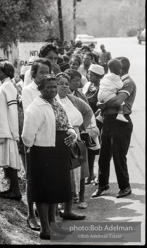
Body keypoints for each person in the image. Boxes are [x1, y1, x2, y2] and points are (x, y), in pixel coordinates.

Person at [22, 76, 77, 240]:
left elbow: (67, 124)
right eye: (49, 88)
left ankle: (54, 226)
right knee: (44, 191)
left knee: (55, 191)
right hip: (43, 152)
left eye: (54, 87)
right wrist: (38, 146)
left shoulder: (56, 103)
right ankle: (45, 229)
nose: (53, 90)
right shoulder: (35, 108)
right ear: (40, 89)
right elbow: (26, 137)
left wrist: (72, 133)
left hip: (59, 152)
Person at [92, 57, 136, 198]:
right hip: (108, 120)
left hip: (121, 122)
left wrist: (103, 104)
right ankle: (102, 184)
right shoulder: (112, 79)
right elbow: (101, 97)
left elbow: (118, 101)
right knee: (104, 155)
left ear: (121, 68)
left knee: (118, 156)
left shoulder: (128, 82)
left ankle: (125, 186)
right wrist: (100, 103)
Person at [55, 72, 93, 216]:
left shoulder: (73, 100)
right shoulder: (54, 101)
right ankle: (60, 205)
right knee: (64, 173)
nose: (64, 86)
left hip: (76, 137)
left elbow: (88, 111)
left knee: (79, 169)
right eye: (61, 83)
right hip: (62, 139)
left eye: (66, 83)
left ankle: (72, 205)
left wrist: (81, 127)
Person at [21, 58, 52, 231]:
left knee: (47, 178)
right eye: (42, 72)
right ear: (33, 74)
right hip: (33, 140)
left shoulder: (50, 88)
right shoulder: (28, 90)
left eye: (48, 72)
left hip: (49, 140)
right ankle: (31, 215)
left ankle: (46, 215)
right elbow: (29, 114)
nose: (45, 75)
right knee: (32, 178)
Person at [0, 60, 22, 201]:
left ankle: (16, 191)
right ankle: (11, 189)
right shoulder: (3, 86)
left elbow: (13, 112)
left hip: (6, 131)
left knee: (11, 160)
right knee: (6, 160)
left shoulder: (8, 87)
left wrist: (15, 133)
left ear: (5, 72)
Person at [64, 69, 95, 209]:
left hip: (78, 134)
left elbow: (88, 111)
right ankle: (70, 198)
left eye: (79, 80)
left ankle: (81, 197)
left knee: (81, 166)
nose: (77, 83)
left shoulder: (78, 96)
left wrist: (83, 127)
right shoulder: (62, 97)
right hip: (66, 135)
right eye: (74, 81)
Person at [82, 64, 105, 185]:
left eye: (91, 74)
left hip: (99, 122)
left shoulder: (102, 88)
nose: (89, 76)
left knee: (99, 149)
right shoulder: (87, 86)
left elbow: (104, 103)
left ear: (98, 76)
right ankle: (90, 174)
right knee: (89, 149)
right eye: (89, 73)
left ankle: (100, 175)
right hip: (88, 121)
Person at [96, 59, 128, 123]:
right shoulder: (116, 77)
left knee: (103, 103)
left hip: (100, 95)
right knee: (121, 103)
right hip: (107, 95)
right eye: (119, 68)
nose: (121, 70)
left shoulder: (106, 75)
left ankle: (100, 115)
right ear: (113, 69)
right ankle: (120, 114)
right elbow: (120, 86)